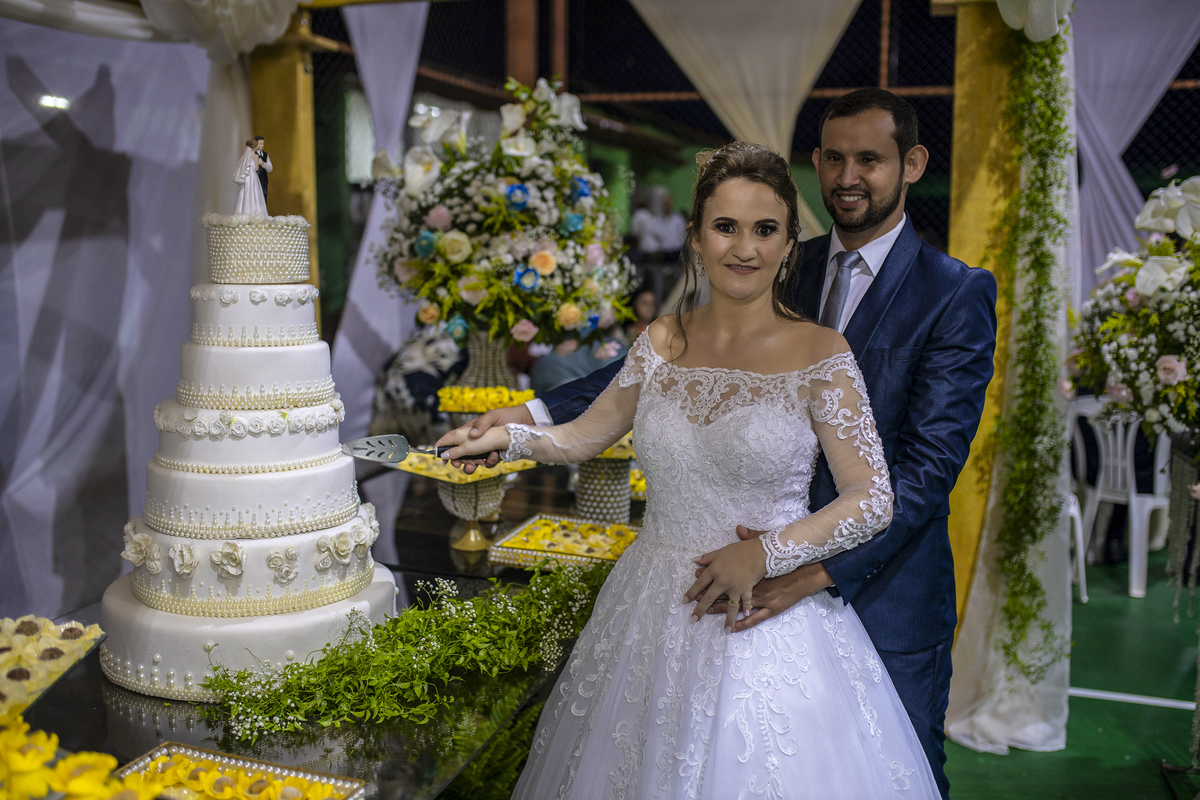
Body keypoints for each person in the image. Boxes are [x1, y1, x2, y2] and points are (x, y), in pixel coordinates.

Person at [453, 88, 998, 799]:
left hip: (874, 591)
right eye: (834, 158)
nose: (848, 176)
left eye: (869, 159)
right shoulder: (776, 261)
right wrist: (517, 422)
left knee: (888, 765)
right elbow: (631, 387)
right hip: (666, 600)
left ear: (912, 164)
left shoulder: (952, 293)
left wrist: (794, 569)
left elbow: (924, 473)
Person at [233, 138, 268, 216]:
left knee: (245, 192)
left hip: (246, 177)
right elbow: (256, 168)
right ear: (254, 147)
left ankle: (244, 211)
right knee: (254, 192)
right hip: (253, 176)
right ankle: (254, 211)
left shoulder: (245, 156)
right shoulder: (255, 156)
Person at [252, 135, 272, 202]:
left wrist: (263, 164)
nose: (262, 145)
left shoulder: (265, 155)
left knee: (263, 195)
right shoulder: (252, 154)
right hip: (255, 178)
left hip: (263, 178)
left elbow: (270, 168)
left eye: (263, 144)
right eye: (260, 144)